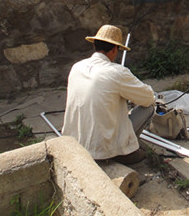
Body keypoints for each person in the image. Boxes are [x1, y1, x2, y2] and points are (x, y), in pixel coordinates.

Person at [62, 24, 155, 165]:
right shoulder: (117, 72)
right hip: (102, 149)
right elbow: (148, 98)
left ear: (95, 45)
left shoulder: (76, 67)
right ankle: (123, 153)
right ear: (114, 49)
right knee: (149, 108)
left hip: (76, 143)